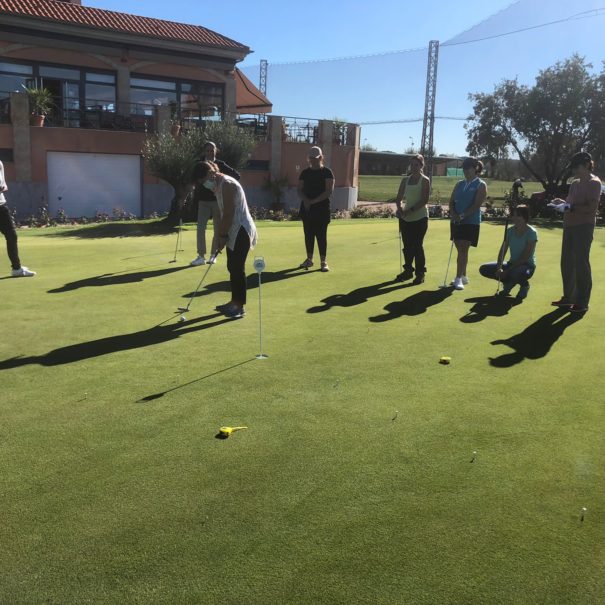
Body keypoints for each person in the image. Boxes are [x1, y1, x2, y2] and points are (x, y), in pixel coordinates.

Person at [192, 160, 257, 319]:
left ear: (210, 173)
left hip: (242, 230)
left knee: (237, 268)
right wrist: (222, 236)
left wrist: (221, 236)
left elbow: (228, 213)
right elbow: (222, 214)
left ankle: (239, 306)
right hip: (232, 229)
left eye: (203, 180)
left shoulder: (227, 184)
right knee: (231, 266)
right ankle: (233, 301)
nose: (204, 184)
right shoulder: (217, 185)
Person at [549, 151, 601, 314]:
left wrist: (570, 207)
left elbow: (591, 208)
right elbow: (571, 204)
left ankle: (582, 301)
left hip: (584, 227)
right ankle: (569, 298)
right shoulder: (575, 183)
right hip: (569, 226)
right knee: (567, 263)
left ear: (586, 165)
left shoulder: (594, 183)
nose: (574, 171)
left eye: (576, 167)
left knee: (580, 263)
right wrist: (563, 203)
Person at [190, 141, 241, 267]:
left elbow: (236, 175)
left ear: (215, 151)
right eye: (207, 150)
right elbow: (193, 179)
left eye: (212, 150)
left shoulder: (220, 164)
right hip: (202, 201)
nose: (209, 152)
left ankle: (213, 255)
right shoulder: (200, 164)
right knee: (200, 229)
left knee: (217, 228)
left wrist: (223, 181)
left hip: (216, 201)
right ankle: (201, 256)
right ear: (204, 151)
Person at [479, 204, 537, 300]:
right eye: (514, 215)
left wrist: (507, 271)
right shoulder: (510, 231)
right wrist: (499, 268)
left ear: (525, 217)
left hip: (527, 266)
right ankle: (508, 283)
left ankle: (524, 286)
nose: (515, 218)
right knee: (484, 269)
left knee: (515, 272)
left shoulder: (532, 233)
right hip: (511, 264)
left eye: (518, 215)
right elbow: (503, 251)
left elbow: (525, 258)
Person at [448, 157, 487, 290]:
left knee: (464, 248)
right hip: (456, 221)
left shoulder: (481, 185)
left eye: (468, 168)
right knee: (460, 249)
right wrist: (453, 214)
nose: (465, 171)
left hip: (471, 222)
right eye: (464, 168)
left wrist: (462, 216)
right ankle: (463, 276)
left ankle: (458, 278)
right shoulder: (459, 184)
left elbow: (476, 205)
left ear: (475, 168)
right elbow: (451, 201)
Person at [394, 154, 430, 284]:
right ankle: (408, 271)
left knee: (417, 246)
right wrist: (399, 208)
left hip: (420, 218)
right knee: (407, 246)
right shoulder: (405, 180)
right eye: (412, 165)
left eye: (417, 165)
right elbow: (398, 198)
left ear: (421, 166)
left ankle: (420, 273)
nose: (414, 167)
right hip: (406, 218)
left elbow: (424, 200)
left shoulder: (425, 180)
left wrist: (409, 211)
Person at [297, 146, 334, 272]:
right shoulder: (304, 173)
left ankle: (323, 262)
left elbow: (328, 191)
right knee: (308, 234)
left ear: (321, 158)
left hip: (322, 209)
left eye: (316, 158)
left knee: (321, 235)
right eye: (311, 158)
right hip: (307, 209)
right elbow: (299, 190)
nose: (313, 161)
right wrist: (306, 200)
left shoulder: (327, 172)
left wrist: (313, 201)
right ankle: (309, 259)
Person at [0, 160, 35, 277]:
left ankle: (16, 268)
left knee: (12, 236)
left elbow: (4, 184)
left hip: (1, 205)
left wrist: (3, 187)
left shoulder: (0, 163)